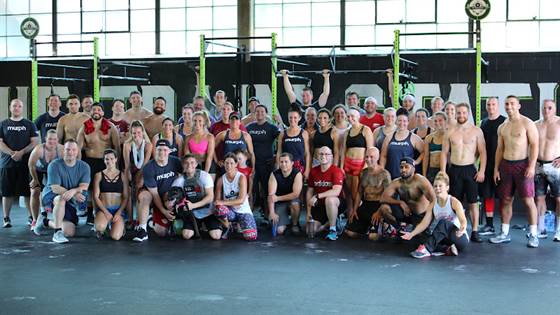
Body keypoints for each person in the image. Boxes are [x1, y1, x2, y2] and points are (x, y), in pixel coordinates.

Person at [490, 95, 540, 248]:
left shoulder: (527, 123)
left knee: (528, 200)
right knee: (505, 200)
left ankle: (533, 235)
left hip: (522, 165)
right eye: (506, 104)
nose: (509, 106)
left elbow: (534, 145)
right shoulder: (503, 126)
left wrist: (531, 166)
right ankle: (504, 233)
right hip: (506, 166)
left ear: (519, 106)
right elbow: (500, 149)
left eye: (512, 103)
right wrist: (496, 169)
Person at [440, 103, 486, 242]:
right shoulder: (450, 131)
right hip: (454, 170)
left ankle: (475, 231)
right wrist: (443, 172)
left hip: (470, 169)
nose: (461, 115)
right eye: (458, 113)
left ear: (468, 114)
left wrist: (482, 170)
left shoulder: (476, 131)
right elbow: (444, 153)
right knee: (455, 202)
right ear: (455, 114)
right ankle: (456, 228)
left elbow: (483, 152)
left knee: (473, 202)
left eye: (464, 113)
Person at [403, 172, 469, 258]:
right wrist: (411, 234)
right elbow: (424, 223)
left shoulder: (454, 202)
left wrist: (462, 229)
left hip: (459, 237)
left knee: (443, 223)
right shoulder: (433, 204)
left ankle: (426, 250)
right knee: (420, 238)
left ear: (447, 187)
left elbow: (463, 220)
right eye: (435, 186)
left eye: (440, 186)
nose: (437, 188)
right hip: (444, 239)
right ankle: (447, 249)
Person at [77, 103, 121, 224]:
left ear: (102, 113)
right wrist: (79, 166)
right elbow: (79, 148)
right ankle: (91, 213)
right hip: (89, 161)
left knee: (104, 189)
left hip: (106, 162)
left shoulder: (111, 127)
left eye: (99, 109)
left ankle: (106, 213)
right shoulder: (84, 127)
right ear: (90, 112)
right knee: (90, 189)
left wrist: (117, 166)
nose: (96, 111)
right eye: (94, 109)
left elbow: (117, 147)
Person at [0, 99, 40, 228]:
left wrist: (21, 152)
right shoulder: (3, 124)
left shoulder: (29, 124)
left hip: (25, 164)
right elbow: (0, 142)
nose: (17, 108)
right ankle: (6, 218)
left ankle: (31, 218)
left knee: (27, 192)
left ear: (22, 108)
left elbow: (34, 141)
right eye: (14, 106)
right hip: (7, 164)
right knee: (7, 193)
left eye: (19, 106)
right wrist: (12, 153)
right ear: (10, 108)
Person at [42, 139, 90, 243]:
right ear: (63, 150)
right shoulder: (54, 165)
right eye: (68, 149)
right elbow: (55, 188)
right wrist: (73, 194)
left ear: (77, 151)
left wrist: (73, 192)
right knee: (61, 199)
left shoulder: (84, 166)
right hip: (52, 196)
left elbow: (84, 186)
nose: (71, 152)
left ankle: (45, 222)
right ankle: (57, 233)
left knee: (69, 232)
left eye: (73, 150)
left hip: (70, 197)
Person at [134, 139, 182, 242]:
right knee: (145, 196)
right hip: (152, 197)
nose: (162, 153)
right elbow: (154, 194)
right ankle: (142, 229)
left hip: (166, 197)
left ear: (169, 151)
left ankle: (150, 219)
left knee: (162, 232)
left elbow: (186, 175)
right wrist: (164, 211)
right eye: (159, 150)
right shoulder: (149, 167)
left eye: (165, 150)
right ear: (155, 150)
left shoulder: (175, 161)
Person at [375, 157, 436, 234]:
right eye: (401, 167)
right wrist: (400, 202)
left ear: (413, 169)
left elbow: (434, 200)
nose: (403, 170)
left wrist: (429, 220)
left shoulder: (420, 180)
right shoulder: (397, 182)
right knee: (384, 208)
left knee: (420, 240)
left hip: (422, 216)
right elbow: (383, 198)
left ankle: (420, 229)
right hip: (407, 213)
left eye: (406, 167)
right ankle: (399, 228)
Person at [345, 147, 391, 239]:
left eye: (371, 157)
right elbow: (359, 192)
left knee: (373, 237)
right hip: (366, 204)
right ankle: (367, 227)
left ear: (377, 157)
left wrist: (379, 212)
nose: (368, 159)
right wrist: (355, 209)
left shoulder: (384, 174)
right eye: (366, 157)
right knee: (349, 233)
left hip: (378, 205)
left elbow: (388, 196)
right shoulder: (363, 173)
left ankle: (385, 226)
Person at [171, 154, 219, 240]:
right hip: (192, 213)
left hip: (208, 211)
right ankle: (198, 226)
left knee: (216, 236)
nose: (189, 165)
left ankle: (206, 225)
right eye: (186, 163)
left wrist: (193, 205)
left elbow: (210, 197)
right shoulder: (179, 181)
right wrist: (176, 204)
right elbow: (171, 197)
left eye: (192, 162)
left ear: (196, 164)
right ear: (183, 165)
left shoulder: (205, 176)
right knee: (186, 235)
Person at [478, 97, 506, 236]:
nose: (490, 106)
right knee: (487, 195)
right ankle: (489, 225)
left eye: (493, 104)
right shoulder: (483, 123)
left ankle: (503, 226)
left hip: (502, 164)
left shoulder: (505, 121)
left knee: (503, 196)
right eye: (488, 104)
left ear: (498, 106)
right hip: (486, 164)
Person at [214, 153, 258, 241]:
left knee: (251, 236)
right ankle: (228, 226)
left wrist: (223, 202)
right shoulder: (220, 180)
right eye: (226, 163)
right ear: (223, 164)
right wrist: (221, 203)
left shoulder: (241, 177)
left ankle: (238, 224)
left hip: (243, 211)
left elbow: (241, 200)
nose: (228, 166)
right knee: (219, 208)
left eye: (231, 163)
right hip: (230, 211)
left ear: (236, 164)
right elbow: (217, 200)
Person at [246, 104, 281, 215]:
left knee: (267, 190)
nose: (259, 113)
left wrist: (277, 156)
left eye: (262, 111)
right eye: (257, 111)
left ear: (266, 114)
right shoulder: (249, 127)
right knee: (251, 190)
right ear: (254, 113)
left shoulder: (271, 127)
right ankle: (249, 215)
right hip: (252, 164)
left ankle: (268, 214)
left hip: (267, 164)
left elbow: (283, 137)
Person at [28, 130, 64, 234]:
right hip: (37, 171)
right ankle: (35, 220)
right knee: (35, 192)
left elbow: (64, 166)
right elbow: (31, 166)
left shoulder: (61, 150)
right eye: (49, 139)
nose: (52, 141)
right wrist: (35, 180)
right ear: (45, 139)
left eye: (54, 139)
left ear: (57, 140)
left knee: (55, 191)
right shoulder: (39, 149)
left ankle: (48, 212)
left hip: (52, 171)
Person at [306, 146, 345, 241]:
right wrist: (308, 212)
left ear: (331, 156)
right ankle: (328, 223)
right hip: (320, 206)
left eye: (326, 154)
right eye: (321, 154)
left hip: (336, 203)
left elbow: (336, 191)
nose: (324, 156)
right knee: (311, 231)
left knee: (330, 199)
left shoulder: (336, 171)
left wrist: (318, 196)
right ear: (317, 156)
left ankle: (333, 230)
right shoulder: (313, 171)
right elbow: (309, 191)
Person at [534, 99, 560, 241]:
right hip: (539, 166)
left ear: (555, 109)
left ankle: (558, 230)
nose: (546, 110)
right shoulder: (535, 125)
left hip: (555, 167)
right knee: (539, 199)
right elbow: (531, 146)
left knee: (559, 199)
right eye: (544, 108)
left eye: (550, 108)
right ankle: (541, 229)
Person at [341, 109, 374, 210]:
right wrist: (341, 166)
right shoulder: (347, 132)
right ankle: (351, 217)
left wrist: (366, 165)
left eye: (352, 116)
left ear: (358, 117)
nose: (350, 118)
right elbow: (343, 150)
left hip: (360, 165)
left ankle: (359, 215)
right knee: (349, 194)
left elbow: (370, 149)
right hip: (348, 163)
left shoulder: (365, 130)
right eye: (348, 116)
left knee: (356, 193)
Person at [92, 149, 129, 240]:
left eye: (112, 159)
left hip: (117, 209)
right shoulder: (99, 175)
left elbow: (126, 197)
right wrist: (106, 212)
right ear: (104, 160)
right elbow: (96, 196)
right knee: (100, 227)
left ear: (116, 159)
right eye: (107, 159)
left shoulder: (123, 175)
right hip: (104, 209)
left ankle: (118, 226)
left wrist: (119, 212)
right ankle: (102, 227)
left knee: (116, 237)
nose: (109, 161)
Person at [380, 108, 424, 179]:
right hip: (391, 175)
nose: (402, 123)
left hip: (407, 177)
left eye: (404, 121)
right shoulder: (389, 137)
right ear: (396, 122)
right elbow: (383, 156)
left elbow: (424, 151)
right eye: (399, 120)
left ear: (408, 122)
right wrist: (382, 171)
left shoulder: (414, 138)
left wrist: (416, 162)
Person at [122, 120, 153, 223]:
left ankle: (140, 220)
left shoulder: (148, 145)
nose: (136, 135)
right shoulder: (127, 145)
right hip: (130, 170)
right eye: (134, 133)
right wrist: (129, 178)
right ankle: (130, 220)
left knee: (140, 192)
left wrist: (140, 179)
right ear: (131, 133)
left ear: (142, 132)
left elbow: (145, 165)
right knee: (129, 192)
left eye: (139, 132)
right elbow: (126, 165)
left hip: (144, 172)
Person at [268, 153, 303, 235]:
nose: (283, 164)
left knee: (295, 203)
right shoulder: (274, 174)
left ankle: (295, 224)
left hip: (292, 201)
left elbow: (295, 194)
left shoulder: (297, 173)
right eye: (281, 162)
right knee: (279, 231)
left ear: (292, 163)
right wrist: (272, 212)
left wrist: (278, 198)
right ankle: (286, 223)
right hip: (280, 204)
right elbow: (271, 196)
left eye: (286, 162)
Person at [277, 106, 311, 179]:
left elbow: (307, 153)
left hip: (299, 167)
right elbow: (279, 152)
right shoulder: (282, 134)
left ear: (299, 118)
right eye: (290, 117)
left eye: (295, 117)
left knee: (298, 188)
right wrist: (278, 166)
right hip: (285, 167)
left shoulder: (304, 133)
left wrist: (307, 169)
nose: (292, 120)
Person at [184, 111, 215, 176]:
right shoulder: (188, 138)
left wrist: (205, 174)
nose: (197, 123)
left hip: (208, 165)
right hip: (193, 165)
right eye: (195, 120)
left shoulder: (210, 137)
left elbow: (209, 157)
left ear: (204, 122)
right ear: (192, 122)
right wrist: (191, 169)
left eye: (200, 120)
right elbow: (187, 156)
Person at [422, 111, 447, 183]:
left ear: (445, 121)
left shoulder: (449, 137)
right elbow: (426, 157)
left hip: (446, 169)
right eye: (435, 121)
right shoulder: (429, 138)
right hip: (432, 170)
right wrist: (424, 174)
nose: (437, 123)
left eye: (440, 120)